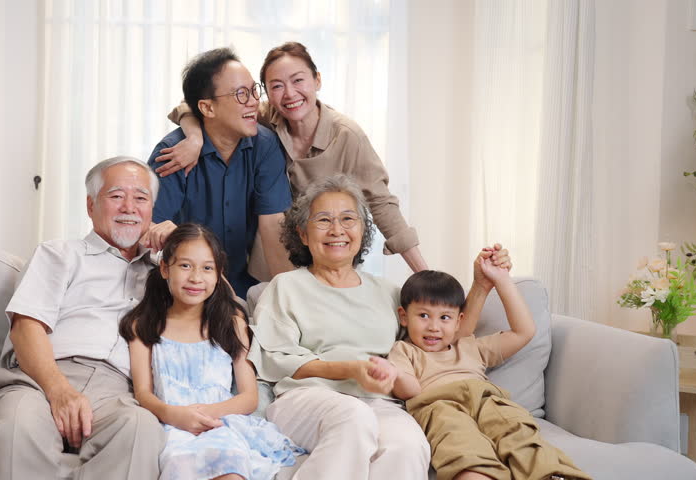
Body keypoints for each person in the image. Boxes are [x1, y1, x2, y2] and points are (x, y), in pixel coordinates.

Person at [246, 174, 511, 479]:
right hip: (306, 398)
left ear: (362, 231)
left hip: (380, 401)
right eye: (323, 220)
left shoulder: (389, 292)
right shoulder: (286, 287)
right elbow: (275, 360)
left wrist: (480, 284)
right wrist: (352, 369)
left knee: (408, 444)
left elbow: (445, 340)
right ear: (303, 234)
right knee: (354, 417)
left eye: (348, 219)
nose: (337, 230)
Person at [160, 41, 429, 274]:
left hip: (326, 259)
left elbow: (381, 202)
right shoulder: (265, 118)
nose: (289, 94)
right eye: (276, 86)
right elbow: (194, 105)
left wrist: (425, 274)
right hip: (272, 262)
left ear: (317, 80)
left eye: (299, 80)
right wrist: (194, 137)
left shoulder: (346, 136)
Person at [0, 156, 166, 479]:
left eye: (141, 198)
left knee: (141, 429)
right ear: (91, 206)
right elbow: (26, 327)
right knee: (14, 427)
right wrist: (59, 390)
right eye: (116, 196)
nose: (129, 208)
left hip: (119, 391)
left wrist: (181, 247)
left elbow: (225, 310)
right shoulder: (59, 254)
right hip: (40, 378)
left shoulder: (169, 270)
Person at [120, 223, 305, 480]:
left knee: (230, 461)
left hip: (220, 423)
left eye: (207, 268)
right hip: (172, 426)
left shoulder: (231, 323)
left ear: (218, 275)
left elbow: (249, 397)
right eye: (185, 266)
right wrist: (176, 415)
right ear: (165, 268)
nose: (196, 278)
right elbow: (143, 393)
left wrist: (205, 414)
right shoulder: (144, 325)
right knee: (179, 463)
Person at [387, 269, 591, 480]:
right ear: (404, 316)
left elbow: (524, 332)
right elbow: (408, 390)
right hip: (440, 406)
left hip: (487, 400)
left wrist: (501, 280)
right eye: (423, 315)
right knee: (459, 441)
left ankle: (550, 475)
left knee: (518, 432)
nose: (433, 327)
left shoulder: (471, 346)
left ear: (459, 321)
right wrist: (392, 374)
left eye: (445, 317)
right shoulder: (404, 350)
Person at [145, 47, 293, 298]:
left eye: (254, 90)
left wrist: (290, 300)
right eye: (240, 94)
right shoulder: (174, 153)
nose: (254, 101)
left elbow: (273, 230)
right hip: (185, 288)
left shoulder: (265, 145)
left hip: (242, 284)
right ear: (207, 108)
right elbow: (148, 229)